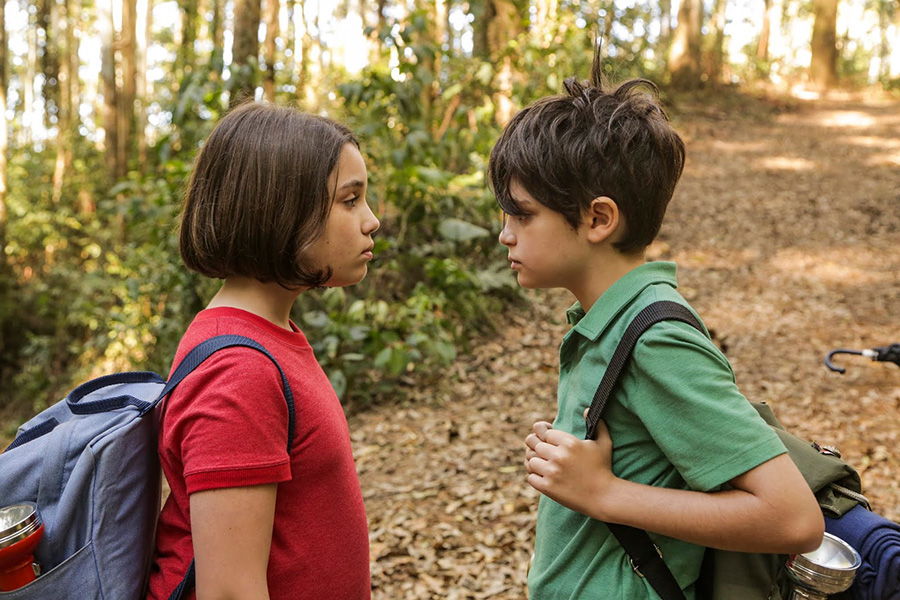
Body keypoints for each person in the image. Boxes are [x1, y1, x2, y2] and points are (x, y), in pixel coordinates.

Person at [489, 52, 825, 599]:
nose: (506, 234)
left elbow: (793, 521)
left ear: (598, 218)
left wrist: (602, 493)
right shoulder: (605, 323)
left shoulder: (655, 339)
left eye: (522, 215)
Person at [146, 102, 379, 600]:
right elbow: (230, 591)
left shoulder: (270, 336)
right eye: (350, 200)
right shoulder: (238, 371)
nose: (372, 220)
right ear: (280, 209)